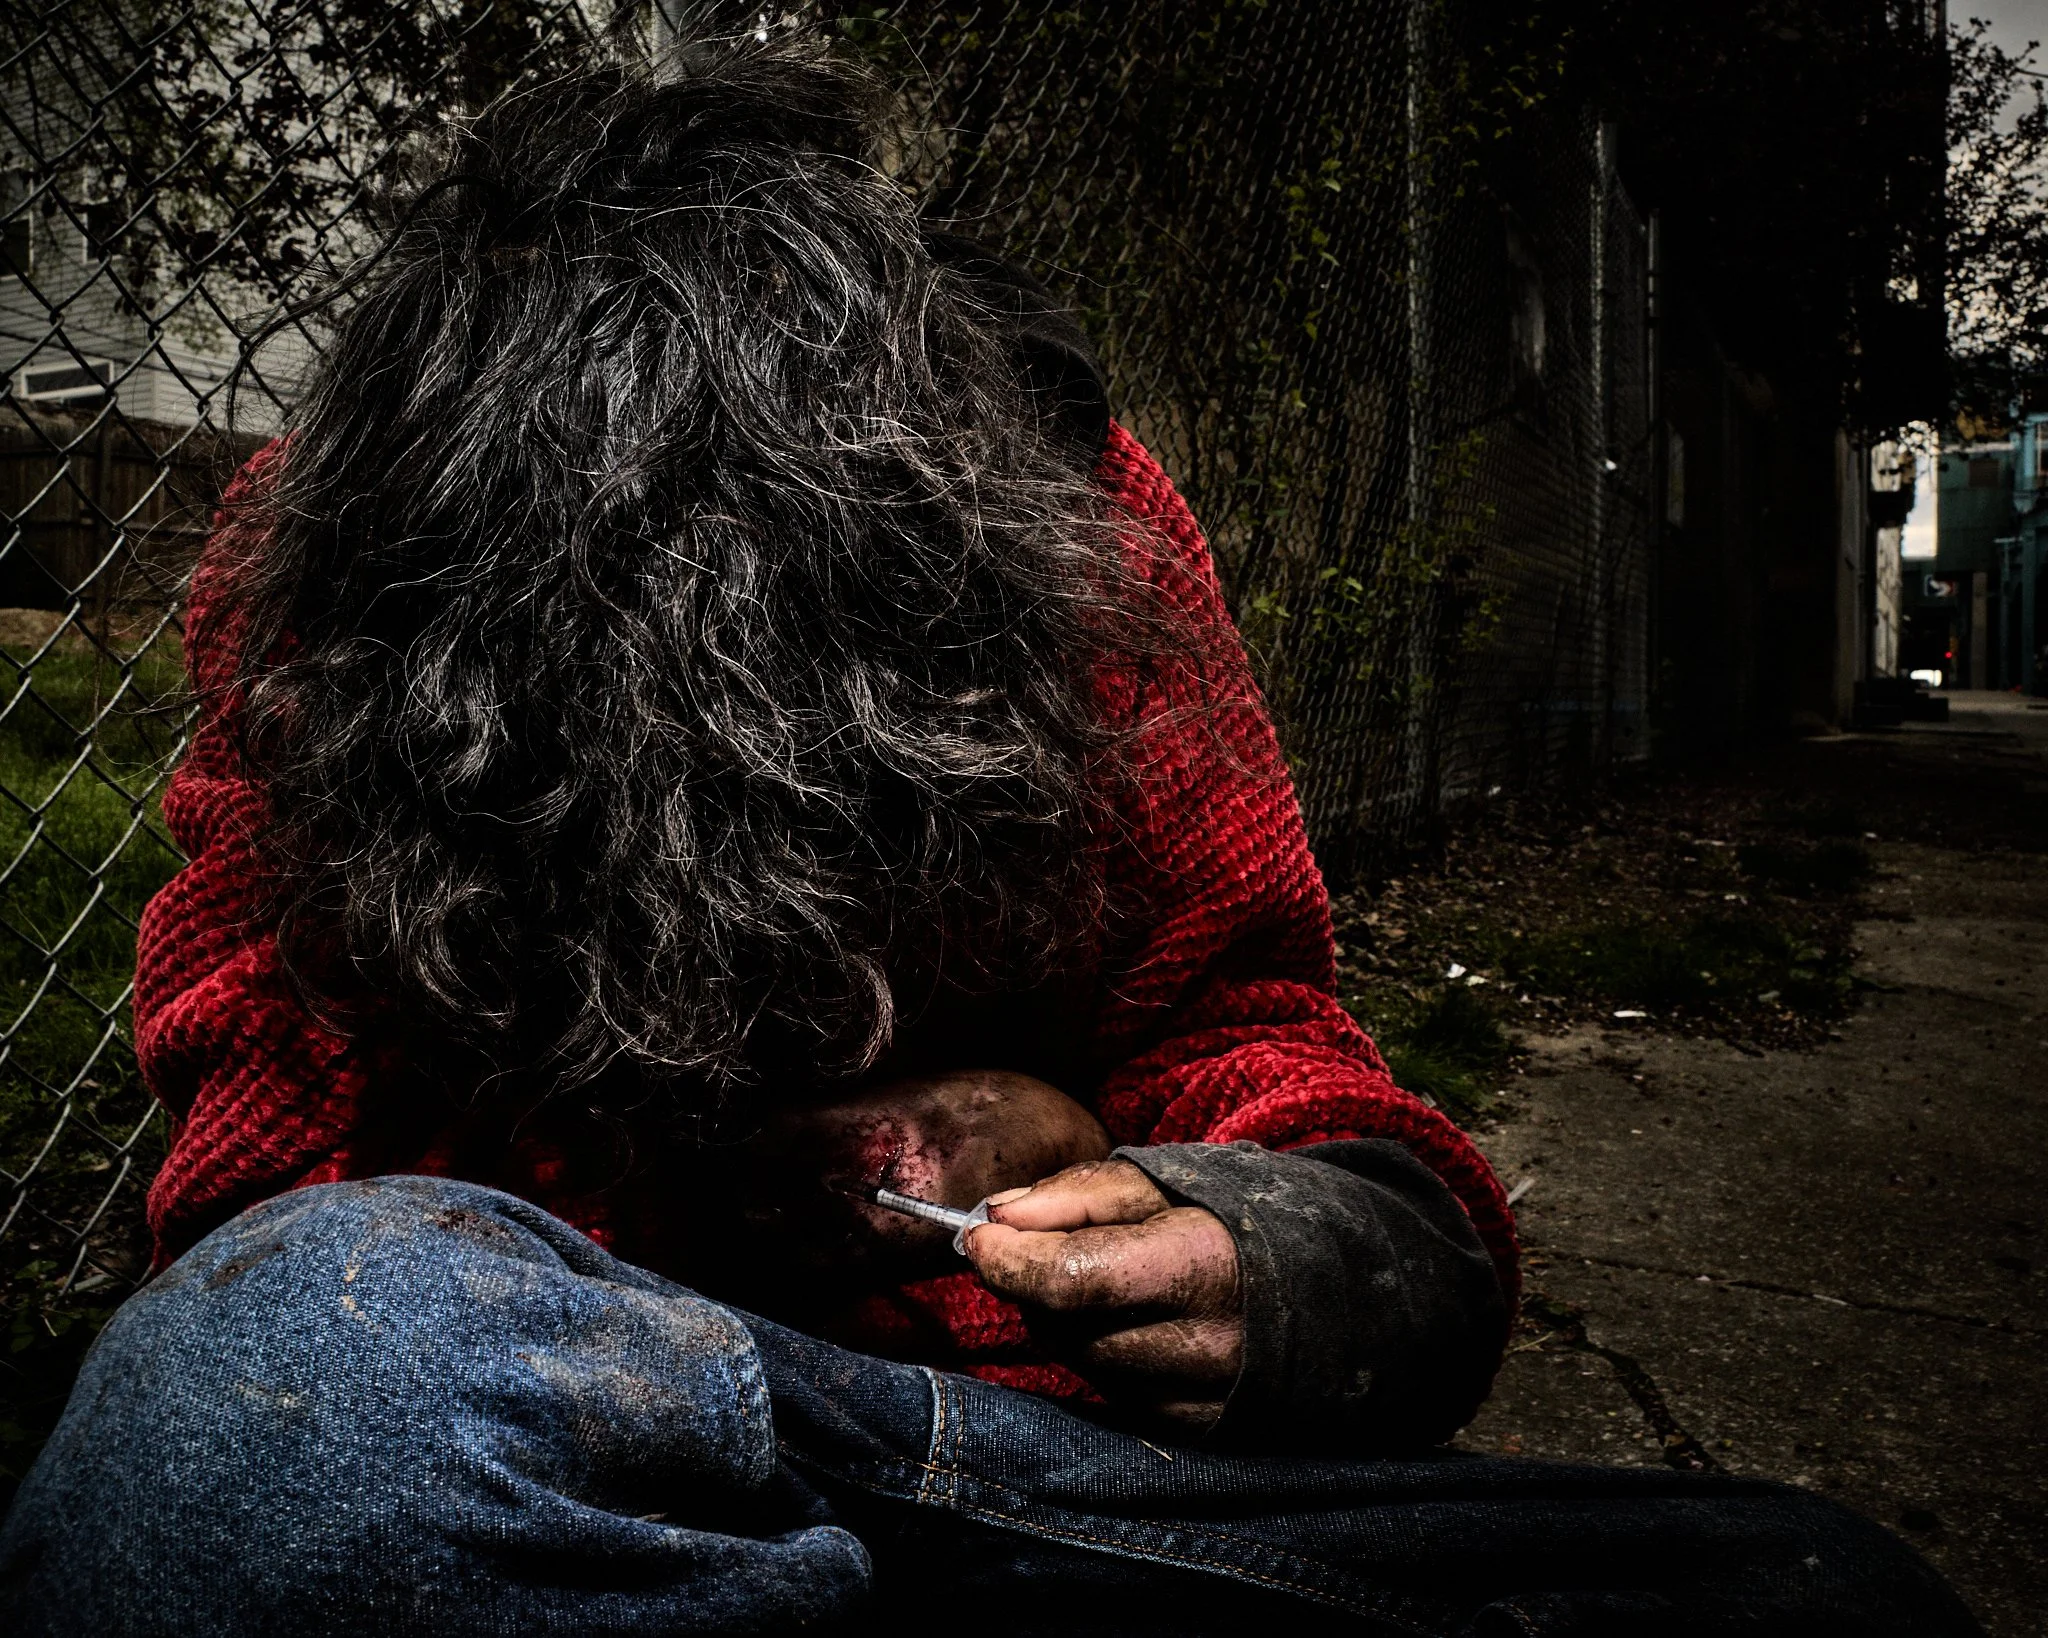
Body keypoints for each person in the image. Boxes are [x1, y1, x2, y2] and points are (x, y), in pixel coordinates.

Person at [0, 32, 1979, 1638]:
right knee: (297, 1420)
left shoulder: (1058, 519)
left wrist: (1303, 1251)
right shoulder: (337, 572)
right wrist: (765, 1178)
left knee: (1827, 1594)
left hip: (1015, 1453)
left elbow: (1249, 1025)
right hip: (555, 1420)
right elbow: (264, 1199)